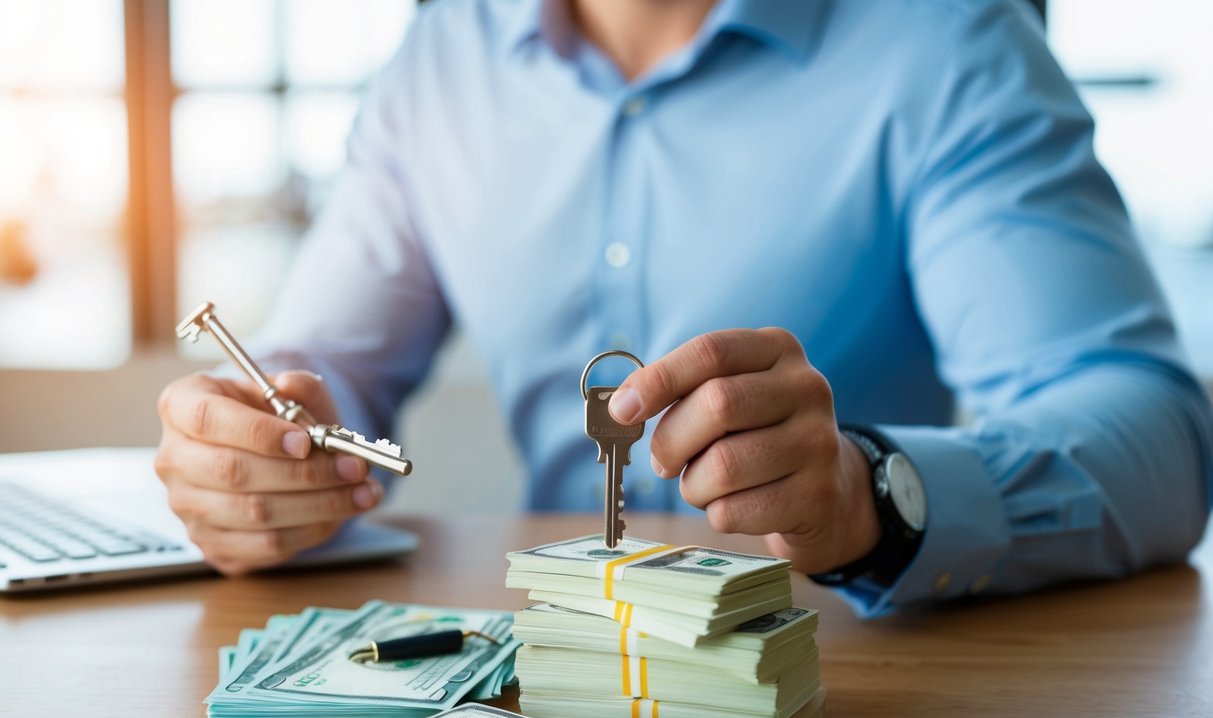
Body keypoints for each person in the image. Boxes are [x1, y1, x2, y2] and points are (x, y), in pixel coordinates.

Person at [155, 0, 1213, 616]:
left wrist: (872, 496)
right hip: (551, 695)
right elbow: (314, 373)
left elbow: (1156, 439)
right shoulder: (441, 57)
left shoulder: (945, 41)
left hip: (857, 708)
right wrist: (246, 461)